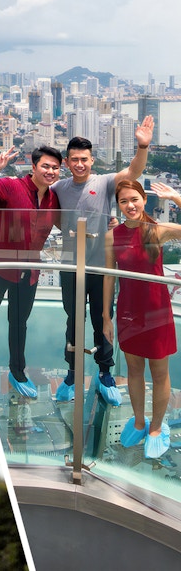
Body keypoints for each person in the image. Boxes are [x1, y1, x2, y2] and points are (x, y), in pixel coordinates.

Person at [52, 116, 154, 405]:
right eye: (74, 159)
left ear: (92, 160)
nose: (80, 164)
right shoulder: (59, 188)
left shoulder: (105, 182)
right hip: (71, 266)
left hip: (101, 266)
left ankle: (105, 372)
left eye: (84, 159)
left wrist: (142, 146)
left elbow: (134, 171)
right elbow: (51, 215)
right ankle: (72, 373)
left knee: (102, 319)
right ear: (67, 162)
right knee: (74, 320)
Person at [0, 145, 62, 398]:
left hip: (29, 271)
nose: (50, 171)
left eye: (55, 168)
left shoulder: (54, 199)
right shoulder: (10, 186)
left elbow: (69, 221)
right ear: (33, 167)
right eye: (45, 166)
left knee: (19, 323)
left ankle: (17, 371)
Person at [103, 179, 181, 459]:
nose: (130, 206)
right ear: (119, 205)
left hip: (157, 312)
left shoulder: (156, 231)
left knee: (160, 374)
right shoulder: (112, 236)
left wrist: (175, 198)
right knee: (134, 370)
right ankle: (139, 421)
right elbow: (109, 277)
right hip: (128, 312)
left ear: (144, 200)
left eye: (134, 199)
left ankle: (157, 428)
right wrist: (106, 316)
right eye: (123, 201)